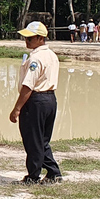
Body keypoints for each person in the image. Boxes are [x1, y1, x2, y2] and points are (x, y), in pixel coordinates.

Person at [9, 21, 62, 185]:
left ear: (40, 38)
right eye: (25, 38)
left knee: (32, 140)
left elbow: (28, 86)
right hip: (50, 100)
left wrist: (17, 109)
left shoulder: (36, 58)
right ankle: (54, 173)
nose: (27, 41)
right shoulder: (51, 55)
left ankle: (33, 176)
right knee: (42, 140)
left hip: (36, 101)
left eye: (30, 38)